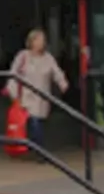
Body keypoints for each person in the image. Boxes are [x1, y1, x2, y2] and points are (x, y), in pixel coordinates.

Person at [5, 29, 70, 157]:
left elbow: (56, 72)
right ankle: (40, 151)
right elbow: (13, 74)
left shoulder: (48, 58)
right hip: (26, 97)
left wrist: (63, 83)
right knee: (34, 121)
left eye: (43, 40)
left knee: (38, 122)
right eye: (39, 40)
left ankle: (34, 146)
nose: (42, 43)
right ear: (32, 42)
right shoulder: (23, 56)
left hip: (42, 97)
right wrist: (13, 93)